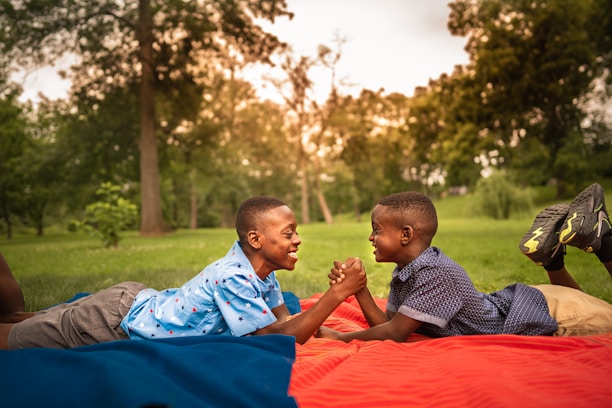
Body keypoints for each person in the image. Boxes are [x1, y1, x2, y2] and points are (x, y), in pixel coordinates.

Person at [0, 196, 366, 349]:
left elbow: (289, 322)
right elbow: (275, 337)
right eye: (289, 233)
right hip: (113, 321)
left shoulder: (264, 274)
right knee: (14, 338)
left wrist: (338, 333)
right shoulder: (234, 275)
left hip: (135, 300)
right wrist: (336, 295)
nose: (298, 240)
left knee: (17, 317)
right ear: (255, 238)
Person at [317, 183, 612, 343]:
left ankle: (605, 242)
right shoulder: (407, 272)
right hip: (537, 302)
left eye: (377, 230)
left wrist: (342, 338)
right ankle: (552, 260)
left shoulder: (435, 273)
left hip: (556, 315)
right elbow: (390, 327)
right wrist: (360, 289)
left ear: (406, 235)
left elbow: (394, 334)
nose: (371, 237)